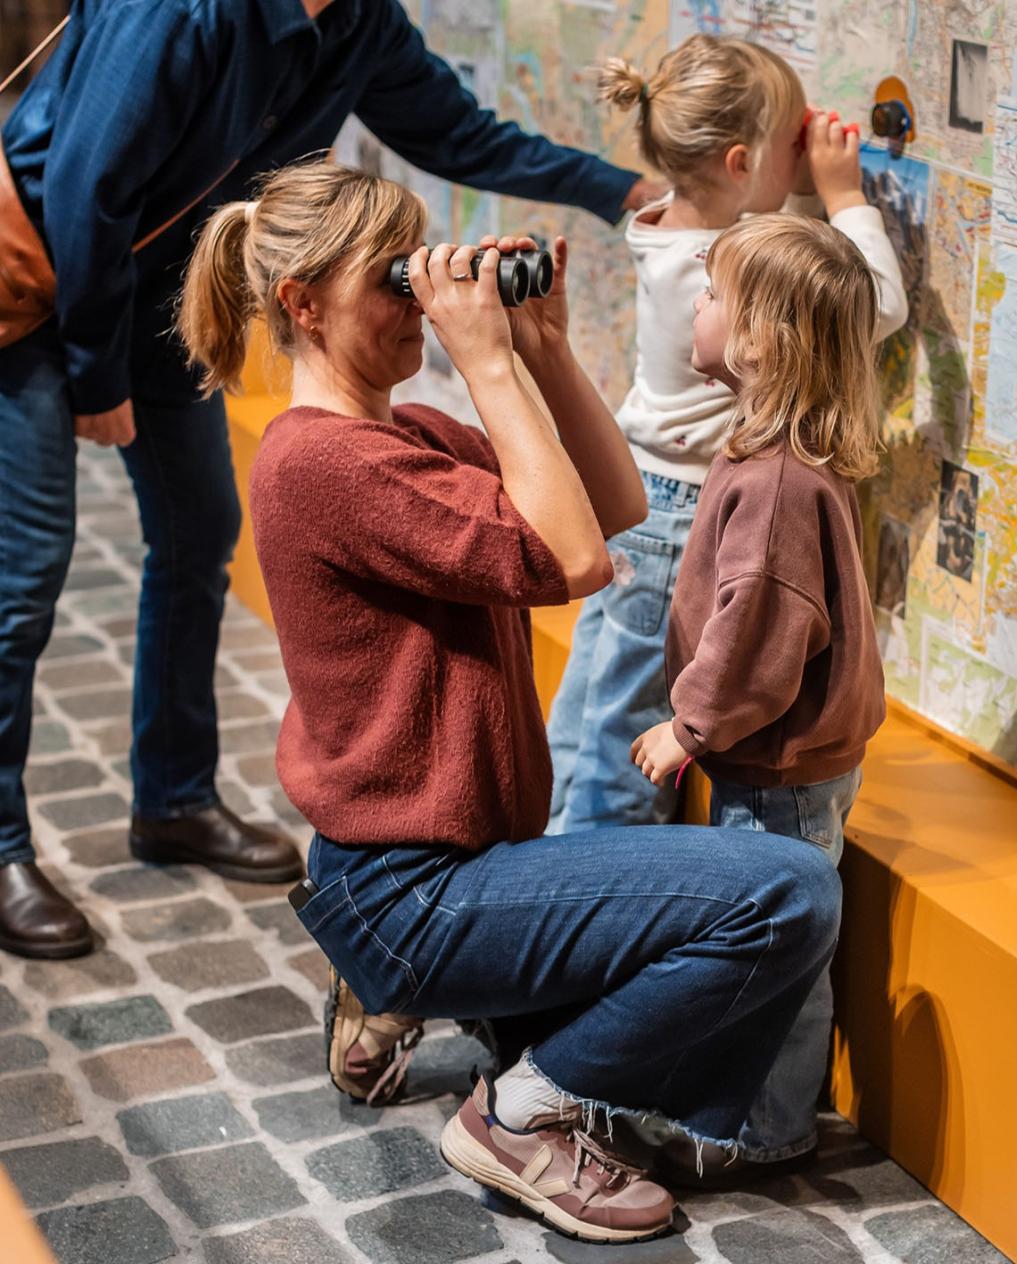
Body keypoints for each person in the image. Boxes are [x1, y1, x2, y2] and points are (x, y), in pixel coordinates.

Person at [176, 158, 843, 1243]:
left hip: (471, 863)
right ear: (303, 304)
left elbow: (612, 503)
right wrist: (482, 357)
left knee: (654, 981)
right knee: (787, 891)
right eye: (389, 281)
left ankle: (421, 1003)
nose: (416, 299)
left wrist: (540, 349)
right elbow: (573, 558)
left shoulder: (408, 436)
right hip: (418, 887)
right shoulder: (324, 466)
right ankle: (517, 1114)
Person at [0, 0, 663, 959]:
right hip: (40, 290)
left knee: (197, 540)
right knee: (24, 577)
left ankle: (174, 799)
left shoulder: (358, 22)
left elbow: (458, 133)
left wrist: (619, 187)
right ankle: (3, 848)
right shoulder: (179, 12)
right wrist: (96, 377)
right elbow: (82, 186)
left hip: (155, 299)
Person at [545, 34, 907, 835]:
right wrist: (843, 196)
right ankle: (594, 877)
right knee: (630, 728)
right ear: (740, 164)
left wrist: (788, 181)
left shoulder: (663, 230)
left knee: (593, 704)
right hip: (679, 518)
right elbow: (873, 302)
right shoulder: (717, 268)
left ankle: (553, 849)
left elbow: (764, 237)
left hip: (640, 496)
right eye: (791, 145)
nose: (803, 157)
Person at [631, 213, 887, 1183]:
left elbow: (758, 636)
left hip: (777, 770)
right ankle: (744, 1099)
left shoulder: (776, 481)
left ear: (762, 339)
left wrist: (689, 726)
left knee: (778, 948)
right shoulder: (769, 455)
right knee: (773, 935)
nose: (696, 308)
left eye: (712, 297)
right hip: (784, 761)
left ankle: (768, 1126)